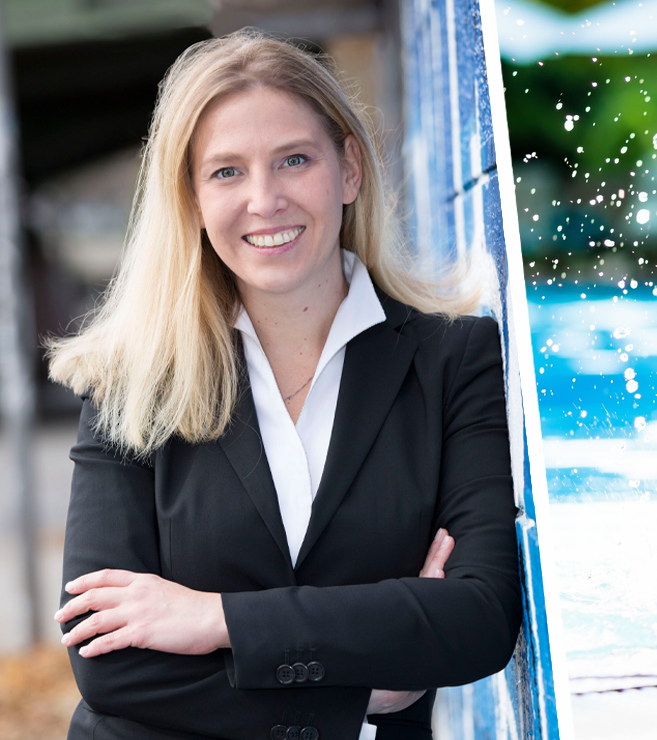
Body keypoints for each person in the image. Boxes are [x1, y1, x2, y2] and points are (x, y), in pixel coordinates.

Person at [45, 30, 521, 740]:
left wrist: (213, 618)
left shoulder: (451, 359)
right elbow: (109, 661)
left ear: (349, 169)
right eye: (227, 172)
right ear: (192, 198)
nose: (264, 200)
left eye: (294, 160)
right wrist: (360, 694)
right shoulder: (131, 378)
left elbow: (478, 618)